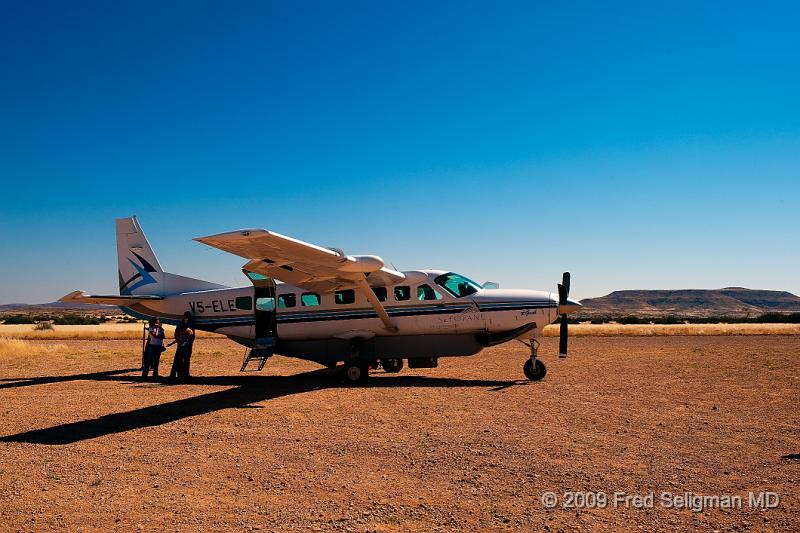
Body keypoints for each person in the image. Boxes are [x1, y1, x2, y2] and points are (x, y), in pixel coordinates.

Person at [169, 312, 195, 381]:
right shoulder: (190, 325)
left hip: (181, 345)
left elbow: (176, 335)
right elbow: (192, 335)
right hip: (186, 346)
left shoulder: (181, 324)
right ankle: (184, 374)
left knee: (178, 360)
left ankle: (176, 374)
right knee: (185, 360)